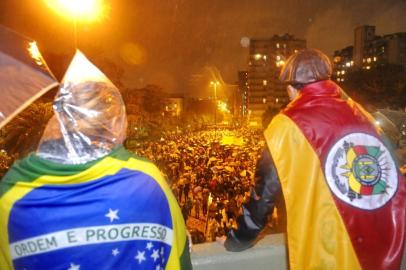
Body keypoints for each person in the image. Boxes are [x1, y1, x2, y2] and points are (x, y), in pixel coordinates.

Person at [0, 51, 192, 270]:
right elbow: (179, 256)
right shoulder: (147, 181)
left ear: (59, 119)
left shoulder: (11, 194)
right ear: (114, 122)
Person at [221, 48, 406, 270]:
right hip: (380, 251)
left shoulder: (284, 126)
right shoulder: (363, 115)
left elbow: (264, 196)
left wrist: (237, 239)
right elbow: (394, 178)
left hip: (327, 253)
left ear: (291, 88)